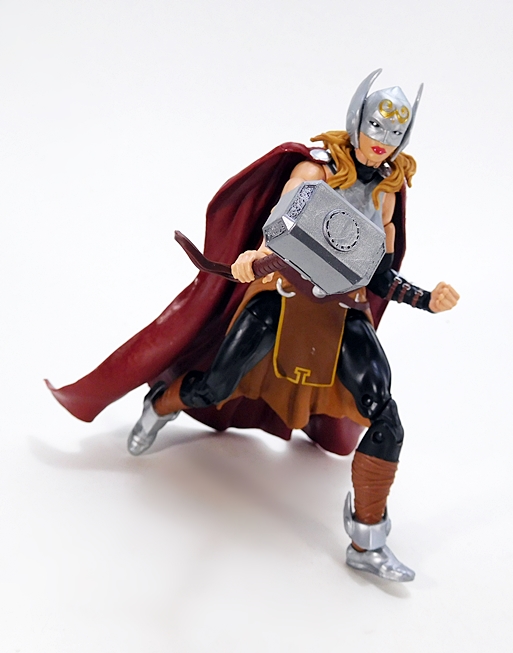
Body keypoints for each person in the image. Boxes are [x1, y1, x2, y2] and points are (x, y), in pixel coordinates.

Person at [47, 69, 459, 581]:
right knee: (217, 386)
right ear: (357, 121)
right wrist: (253, 257)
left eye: (395, 133)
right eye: (376, 127)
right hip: (282, 295)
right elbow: (281, 225)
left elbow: (378, 274)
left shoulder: (387, 196)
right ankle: (161, 404)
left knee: (386, 416)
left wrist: (425, 298)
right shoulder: (314, 171)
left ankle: (367, 542)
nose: (383, 141)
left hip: (341, 310)